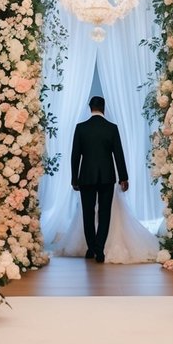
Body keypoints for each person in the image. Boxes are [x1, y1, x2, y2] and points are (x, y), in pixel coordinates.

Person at [70, 95, 128, 263]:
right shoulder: (112, 128)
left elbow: (75, 156)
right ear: (104, 108)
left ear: (90, 108)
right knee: (104, 213)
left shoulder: (81, 128)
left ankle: (91, 248)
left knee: (87, 213)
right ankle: (100, 250)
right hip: (107, 177)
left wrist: (74, 178)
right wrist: (123, 177)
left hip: (86, 177)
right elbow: (118, 154)